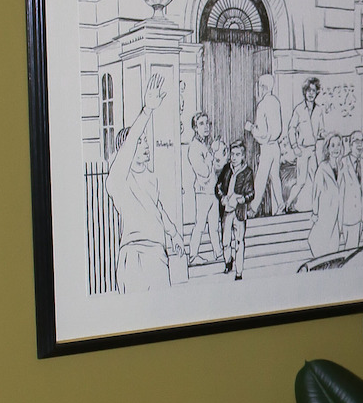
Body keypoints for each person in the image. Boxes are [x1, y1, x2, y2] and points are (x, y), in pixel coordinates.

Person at [107, 72, 186, 294]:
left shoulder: (150, 177)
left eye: (144, 140)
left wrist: (174, 234)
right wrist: (147, 110)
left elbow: (157, 208)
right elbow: (130, 143)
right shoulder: (118, 181)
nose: (145, 145)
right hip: (135, 254)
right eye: (139, 142)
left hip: (158, 253)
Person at [216, 140, 255, 279]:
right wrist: (222, 197)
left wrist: (242, 199)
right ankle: (228, 261)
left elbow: (251, 193)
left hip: (239, 213)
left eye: (237, 154)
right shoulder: (227, 169)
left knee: (239, 242)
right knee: (225, 241)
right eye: (232, 154)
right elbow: (219, 187)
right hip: (227, 211)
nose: (234, 157)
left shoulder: (247, 172)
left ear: (243, 156)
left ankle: (239, 272)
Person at [186, 111, 221, 264]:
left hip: (212, 191)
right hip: (202, 192)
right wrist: (212, 152)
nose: (206, 127)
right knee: (200, 224)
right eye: (201, 124)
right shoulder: (194, 147)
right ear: (195, 127)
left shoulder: (204, 145)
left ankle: (218, 252)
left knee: (214, 225)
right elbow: (205, 172)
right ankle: (193, 255)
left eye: (207, 123)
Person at [249, 73, 285, 217]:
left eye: (259, 85)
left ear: (263, 87)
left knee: (261, 176)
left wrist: (251, 128)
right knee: (274, 176)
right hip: (276, 146)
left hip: (267, 147)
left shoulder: (262, 105)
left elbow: (262, 133)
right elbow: (278, 129)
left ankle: (253, 207)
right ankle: (281, 205)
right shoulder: (275, 102)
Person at [307, 133, 346, 260]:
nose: (336, 149)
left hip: (338, 213)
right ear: (328, 149)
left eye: (339, 145)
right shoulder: (322, 168)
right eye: (333, 145)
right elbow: (315, 192)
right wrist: (315, 212)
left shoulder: (343, 167)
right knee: (320, 241)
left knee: (334, 246)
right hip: (325, 211)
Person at [287, 76, 323, 211]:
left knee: (315, 179)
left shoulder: (318, 110)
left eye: (313, 91)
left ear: (317, 92)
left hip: (313, 150)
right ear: (304, 92)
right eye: (308, 91)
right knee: (301, 181)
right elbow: (291, 129)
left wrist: (322, 134)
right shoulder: (298, 109)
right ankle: (288, 204)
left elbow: (321, 129)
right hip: (302, 150)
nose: (311, 94)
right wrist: (295, 146)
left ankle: (316, 206)